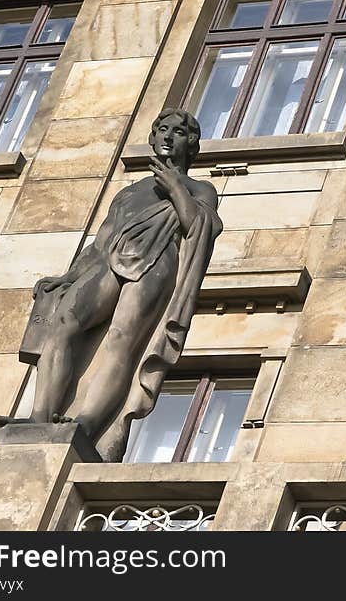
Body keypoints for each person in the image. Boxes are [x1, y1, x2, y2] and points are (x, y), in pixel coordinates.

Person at [23, 108, 222, 462]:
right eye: (161, 130)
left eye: (176, 132)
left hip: (158, 261)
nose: (167, 137)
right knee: (65, 323)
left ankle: (86, 424)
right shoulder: (131, 192)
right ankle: (40, 416)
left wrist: (177, 189)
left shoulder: (199, 188)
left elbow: (199, 228)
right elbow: (103, 239)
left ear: (190, 144)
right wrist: (69, 277)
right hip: (109, 259)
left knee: (121, 341)